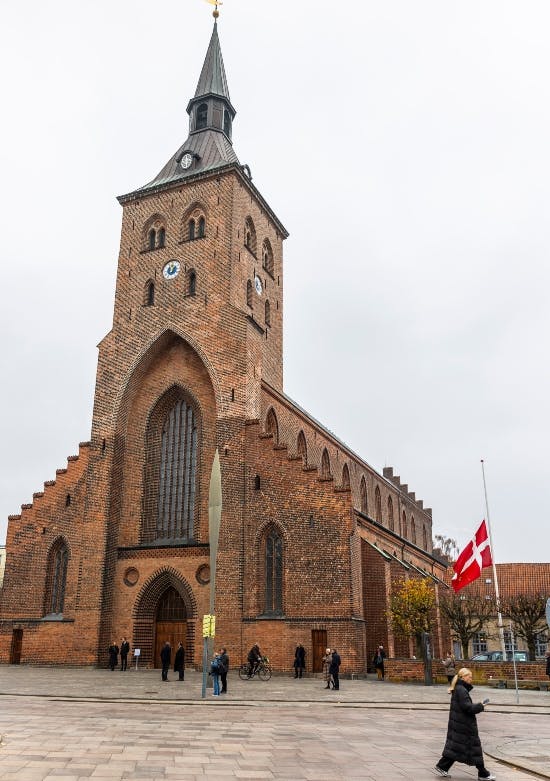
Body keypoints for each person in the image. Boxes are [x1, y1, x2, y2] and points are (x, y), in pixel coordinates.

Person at [434, 667, 496, 780]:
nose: (471, 679)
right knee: (475, 749)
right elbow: (468, 708)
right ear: (464, 677)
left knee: (456, 748)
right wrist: (481, 705)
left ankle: (442, 766)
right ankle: (483, 773)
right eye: (470, 677)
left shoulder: (458, 688)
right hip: (464, 725)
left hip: (459, 724)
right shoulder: (461, 690)